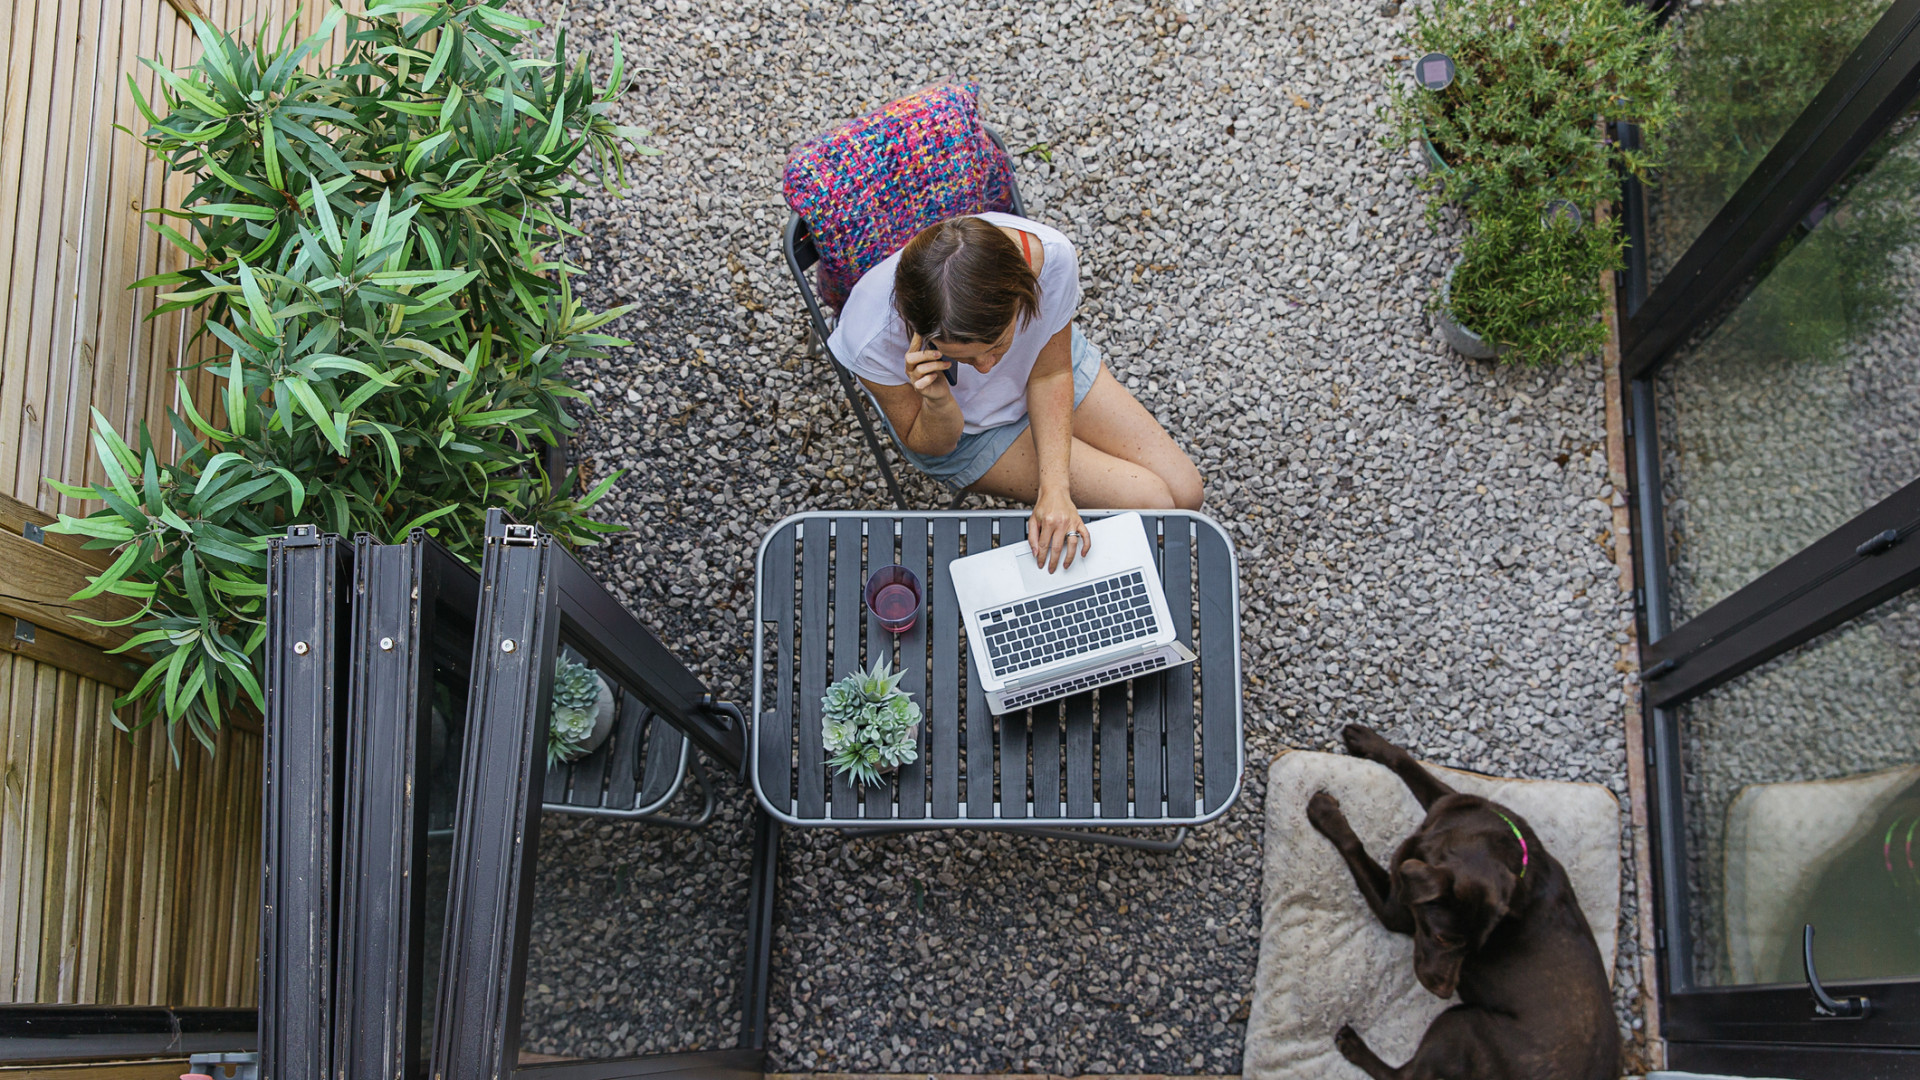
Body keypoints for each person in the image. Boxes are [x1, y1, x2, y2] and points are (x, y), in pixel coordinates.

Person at [829, 212, 1203, 573]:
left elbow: (1051, 371)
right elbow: (931, 445)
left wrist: (1055, 488)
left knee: (1186, 495)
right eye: (965, 357)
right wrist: (939, 400)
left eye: (998, 344)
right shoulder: (868, 336)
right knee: (1153, 502)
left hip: (1047, 373)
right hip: (970, 437)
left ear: (1022, 296)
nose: (988, 367)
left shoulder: (1049, 259)